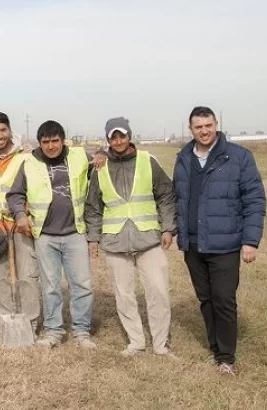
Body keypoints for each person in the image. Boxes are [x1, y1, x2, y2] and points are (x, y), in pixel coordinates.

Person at [173, 106, 266, 376]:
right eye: (198, 127)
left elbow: (254, 200)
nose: (204, 131)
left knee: (224, 299)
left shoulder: (238, 157)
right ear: (190, 128)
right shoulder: (183, 158)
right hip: (193, 244)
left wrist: (251, 241)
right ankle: (215, 347)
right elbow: (177, 197)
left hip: (225, 245)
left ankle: (226, 357)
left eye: (208, 125)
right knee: (205, 299)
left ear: (216, 124)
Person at [85, 117, 177, 357]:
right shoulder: (99, 167)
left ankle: (160, 344)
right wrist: (93, 239)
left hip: (149, 239)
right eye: (113, 137)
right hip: (115, 242)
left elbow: (166, 196)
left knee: (158, 291)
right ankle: (136, 342)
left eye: (122, 136)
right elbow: (93, 207)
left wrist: (168, 228)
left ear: (129, 136)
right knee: (124, 295)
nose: (118, 141)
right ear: (107, 140)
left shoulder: (149, 161)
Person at [6, 120, 97, 349]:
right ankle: (54, 330)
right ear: (39, 143)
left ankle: (81, 331)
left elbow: (101, 159)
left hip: (75, 232)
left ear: (63, 140)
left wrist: (103, 152)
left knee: (82, 285)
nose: (51, 146)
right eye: (45, 142)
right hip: (45, 235)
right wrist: (20, 215)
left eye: (55, 141)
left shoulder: (79, 156)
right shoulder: (29, 163)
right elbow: (15, 194)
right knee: (50, 287)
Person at [0, 112, 41, 329]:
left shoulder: (26, 155)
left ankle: (30, 321)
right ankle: (5, 320)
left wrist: (24, 215)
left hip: (21, 224)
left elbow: (36, 189)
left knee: (27, 275)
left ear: (10, 130)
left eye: (3, 130)